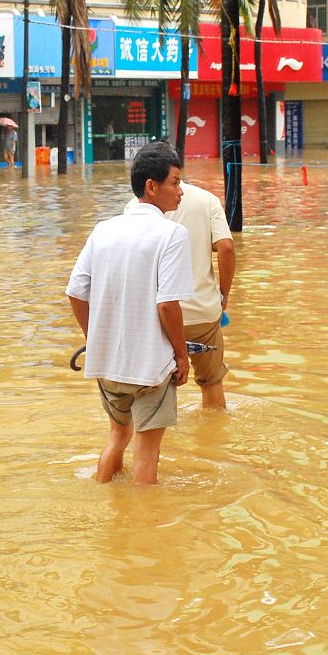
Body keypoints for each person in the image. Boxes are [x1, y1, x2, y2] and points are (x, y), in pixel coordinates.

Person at [66, 143, 195, 486]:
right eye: (175, 183)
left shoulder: (103, 229)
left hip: (107, 364)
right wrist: (182, 355)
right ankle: (143, 517)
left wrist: (94, 340)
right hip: (151, 367)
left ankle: (104, 496)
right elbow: (167, 304)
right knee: (147, 455)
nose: (180, 192)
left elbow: (75, 292)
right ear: (152, 186)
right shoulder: (172, 234)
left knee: (117, 436)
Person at [127, 171, 235, 409]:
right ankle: (214, 432)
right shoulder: (207, 200)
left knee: (157, 389)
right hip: (204, 314)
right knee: (212, 383)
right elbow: (226, 247)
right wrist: (223, 295)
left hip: (159, 317)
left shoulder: (135, 206)